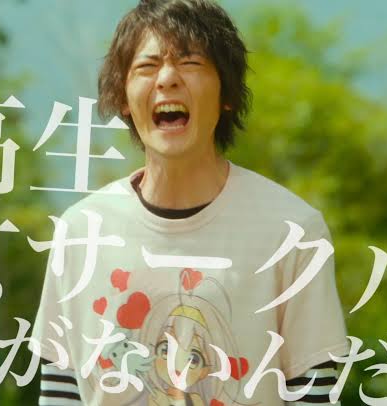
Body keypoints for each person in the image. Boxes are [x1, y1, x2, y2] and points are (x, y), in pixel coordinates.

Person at [31, 1, 348, 404]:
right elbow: (60, 392)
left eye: (190, 63)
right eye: (147, 66)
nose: (167, 79)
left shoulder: (292, 231)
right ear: (124, 97)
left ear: (226, 94)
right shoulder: (80, 232)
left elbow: (315, 392)